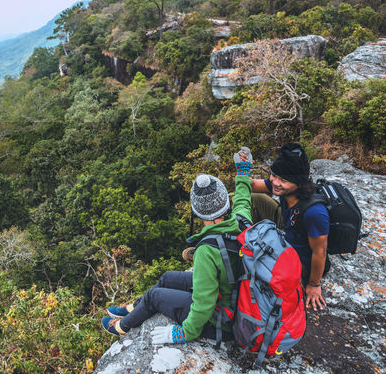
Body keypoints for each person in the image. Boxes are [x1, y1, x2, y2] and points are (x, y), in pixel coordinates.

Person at [100, 148, 256, 343]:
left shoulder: (207, 250)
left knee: (155, 296)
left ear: (197, 212)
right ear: (226, 201)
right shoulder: (241, 220)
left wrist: (185, 332)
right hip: (233, 292)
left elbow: (203, 303)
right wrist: (243, 172)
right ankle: (134, 307)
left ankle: (122, 327)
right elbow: (243, 198)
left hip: (224, 320)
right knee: (167, 277)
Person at [248, 142, 329, 311]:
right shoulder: (284, 186)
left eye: (282, 180)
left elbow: (320, 252)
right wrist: (243, 168)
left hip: (298, 259)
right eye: (274, 175)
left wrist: (313, 284)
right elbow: (253, 185)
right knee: (254, 198)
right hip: (287, 229)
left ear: (298, 182)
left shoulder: (314, 212)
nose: (275, 182)